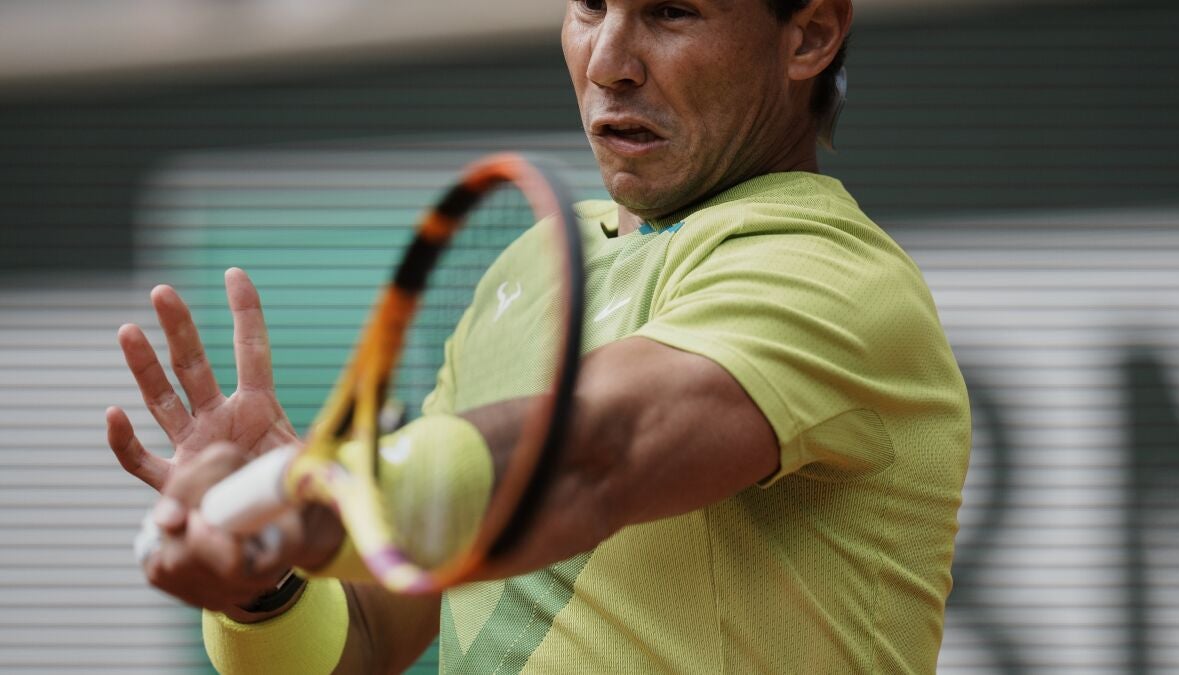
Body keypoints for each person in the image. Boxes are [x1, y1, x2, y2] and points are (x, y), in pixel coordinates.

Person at [107, 0, 971, 672]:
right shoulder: (532, 267)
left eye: (672, 12)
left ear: (809, 34)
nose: (607, 61)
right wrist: (266, 580)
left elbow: (595, 453)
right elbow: (366, 635)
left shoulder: (831, 274)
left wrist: (304, 499)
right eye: (590, 5)